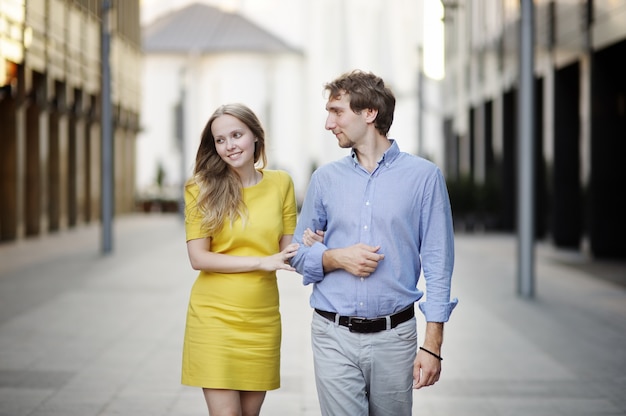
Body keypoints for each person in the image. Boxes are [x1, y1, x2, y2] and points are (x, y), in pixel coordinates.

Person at [290, 70, 458, 416]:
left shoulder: (424, 178)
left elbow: (439, 264)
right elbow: (296, 253)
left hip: (395, 338)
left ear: (369, 113)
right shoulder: (324, 180)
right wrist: (335, 257)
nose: (328, 123)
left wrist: (433, 345)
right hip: (332, 334)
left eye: (337, 111)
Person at [181, 103, 299, 416]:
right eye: (220, 140)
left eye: (237, 135)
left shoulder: (281, 183)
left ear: (256, 136)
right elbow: (198, 258)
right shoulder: (200, 187)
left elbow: (288, 251)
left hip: (261, 319)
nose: (230, 145)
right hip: (214, 317)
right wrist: (261, 262)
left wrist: (320, 243)